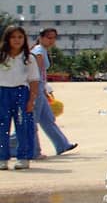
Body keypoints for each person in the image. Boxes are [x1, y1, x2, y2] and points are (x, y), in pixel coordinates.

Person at [30, 28, 76, 157]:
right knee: (32, 121)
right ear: (41, 38)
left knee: (47, 119)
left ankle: (62, 145)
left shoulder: (42, 50)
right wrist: (37, 89)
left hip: (40, 88)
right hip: (36, 89)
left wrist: (45, 89)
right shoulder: (39, 51)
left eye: (54, 38)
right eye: (49, 38)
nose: (51, 41)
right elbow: (36, 73)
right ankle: (30, 149)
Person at [0, 25, 39, 170]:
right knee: (2, 126)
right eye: (13, 37)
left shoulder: (29, 58)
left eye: (20, 37)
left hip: (21, 93)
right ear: (7, 39)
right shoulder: (2, 56)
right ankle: (2, 158)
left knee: (23, 126)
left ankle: (23, 157)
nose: (17, 40)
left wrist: (31, 100)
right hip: (2, 92)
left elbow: (34, 80)